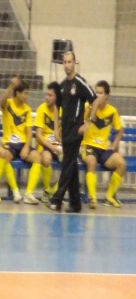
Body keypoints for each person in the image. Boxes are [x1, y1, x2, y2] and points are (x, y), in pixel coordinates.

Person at [49, 50, 103, 213]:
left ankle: (57, 199)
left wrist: (88, 123)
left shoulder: (80, 82)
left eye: (69, 62)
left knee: (67, 163)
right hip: (65, 130)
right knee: (70, 165)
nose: (67, 65)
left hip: (76, 129)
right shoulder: (62, 85)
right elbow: (57, 108)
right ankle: (75, 203)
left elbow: (95, 100)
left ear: (74, 62)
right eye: (64, 62)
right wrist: (56, 128)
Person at [0, 76, 36, 204]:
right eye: (25, 93)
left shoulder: (27, 109)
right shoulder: (8, 104)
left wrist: (27, 146)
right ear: (18, 93)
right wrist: (11, 86)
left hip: (22, 144)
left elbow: (29, 132)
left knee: (38, 157)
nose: (27, 96)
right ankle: (13, 191)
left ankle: (28, 194)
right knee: (4, 157)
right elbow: (1, 101)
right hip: (9, 143)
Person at [80, 80, 126, 209]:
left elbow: (120, 129)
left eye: (100, 93)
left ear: (107, 96)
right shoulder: (87, 107)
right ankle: (92, 198)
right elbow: (80, 124)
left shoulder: (112, 111)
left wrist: (114, 144)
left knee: (121, 164)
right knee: (91, 162)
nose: (97, 95)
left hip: (104, 149)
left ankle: (109, 196)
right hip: (88, 146)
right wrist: (91, 111)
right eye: (96, 93)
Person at [23, 81, 62, 204]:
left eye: (50, 95)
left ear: (57, 97)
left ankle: (56, 190)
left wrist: (60, 145)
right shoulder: (41, 109)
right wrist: (52, 147)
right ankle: (47, 190)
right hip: (44, 145)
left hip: (58, 145)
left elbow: (63, 132)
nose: (47, 97)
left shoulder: (62, 110)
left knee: (71, 163)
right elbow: (39, 136)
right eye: (46, 94)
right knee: (46, 158)